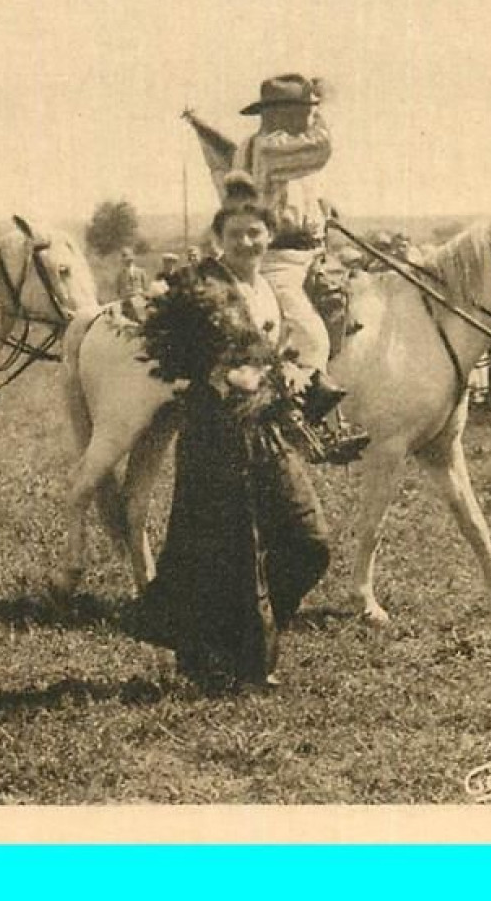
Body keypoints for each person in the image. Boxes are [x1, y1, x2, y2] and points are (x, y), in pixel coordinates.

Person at [133, 186, 331, 691]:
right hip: (216, 436)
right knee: (230, 552)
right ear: (218, 238)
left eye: (256, 232)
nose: (247, 241)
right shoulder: (203, 287)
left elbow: (270, 352)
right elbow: (176, 352)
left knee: (309, 542)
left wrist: (287, 376)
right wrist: (219, 375)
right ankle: (239, 663)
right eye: (235, 233)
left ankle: (233, 641)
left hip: (265, 427)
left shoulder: (267, 287)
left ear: (269, 235)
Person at [227, 74, 369, 461]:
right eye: (306, 111)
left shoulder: (283, 147)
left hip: (311, 252)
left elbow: (301, 189)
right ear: (283, 114)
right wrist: (323, 106)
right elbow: (322, 149)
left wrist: (322, 210)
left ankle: (332, 418)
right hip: (278, 260)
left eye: (311, 111)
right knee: (311, 339)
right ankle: (300, 429)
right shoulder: (268, 147)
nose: (311, 118)